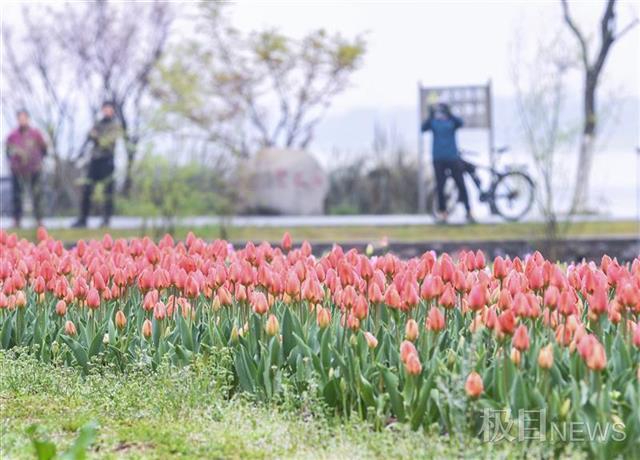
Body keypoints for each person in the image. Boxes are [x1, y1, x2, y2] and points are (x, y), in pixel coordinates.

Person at [72, 101, 122, 228]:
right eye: (105, 109)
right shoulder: (97, 124)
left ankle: (106, 220)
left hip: (107, 161)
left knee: (108, 192)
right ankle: (83, 219)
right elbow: (89, 137)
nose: (106, 111)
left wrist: (97, 137)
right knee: (87, 189)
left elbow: (107, 142)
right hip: (95, 160)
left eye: (109, 109)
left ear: (113, 111)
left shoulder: (115, 125)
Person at [421, 102, 474, 223]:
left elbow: (460, 123)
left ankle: (468, 211)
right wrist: (430, 115)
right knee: (440, 186)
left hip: (452, 158)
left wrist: (451, 114)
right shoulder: (433, 122)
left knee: (461, 184)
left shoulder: (452, 122)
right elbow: (423, 128)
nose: (441, 114)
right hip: (438, 159)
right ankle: (443, 213)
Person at [5, 109, 48, 228]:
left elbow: (44, 149)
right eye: (20, 118)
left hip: (35, 168)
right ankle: (16, 220)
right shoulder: (12, 136)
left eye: (24, 118)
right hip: (18, 170)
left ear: (28, 119)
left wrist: (39, 161)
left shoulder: (36, 134)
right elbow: (7, 152)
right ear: (17, 119)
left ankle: (39, 220)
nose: (22, 120)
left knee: (37, 195)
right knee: (17, 196)